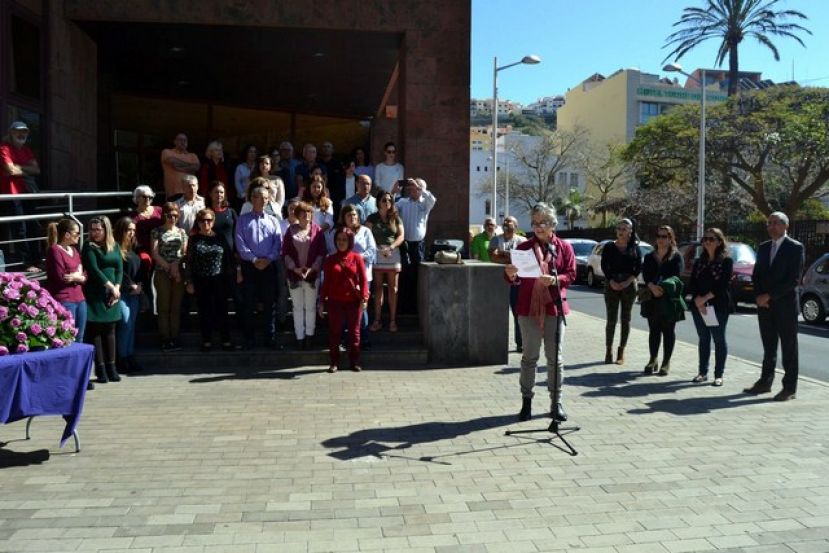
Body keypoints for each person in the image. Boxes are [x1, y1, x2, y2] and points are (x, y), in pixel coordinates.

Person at [504, 203, 576, 422]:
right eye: (534, 223)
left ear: (553, 224)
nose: (538, 227)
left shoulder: (563, 247)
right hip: (528, 309)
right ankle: (526, 402)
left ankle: (556, 403)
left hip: (554, 308)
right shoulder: (523, 248)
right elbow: (513, 279)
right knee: (529, 358)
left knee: (555, 359)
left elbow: (571, 274)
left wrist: (556, 279)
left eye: (542, 223)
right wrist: (510, 273)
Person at [744, 212, 805, 401]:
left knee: (789, 347)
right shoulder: (763, 247)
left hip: (785, 305)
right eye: (769, 223)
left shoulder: (795, 248)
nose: (771, 226)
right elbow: (756, 275)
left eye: (775, 223)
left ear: (785, 226)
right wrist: (758, 296)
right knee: (769, 346)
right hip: (765, 306)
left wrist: (770, 295)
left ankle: (789, 388)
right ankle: (765, 382)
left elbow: (794, 279)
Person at [235, 186, 283, 350]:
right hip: (250, 266)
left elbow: (278, 244)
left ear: (268, 199)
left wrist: (268, 259)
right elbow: (240, 243)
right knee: (248, 304)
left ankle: (270, 338)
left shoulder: (274, 220)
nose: (261, 200)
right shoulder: (242, 220)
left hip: (269, 267)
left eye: (264, 197)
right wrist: (254, 259)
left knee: (270, 304)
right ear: (251, 199)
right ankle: (249, 339)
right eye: (257, 197)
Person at [319, 227, 370, 373]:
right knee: (335, 332)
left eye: (344, 240)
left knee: (354, 333)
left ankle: (354, 362)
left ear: (350, 241)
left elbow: (364, 279)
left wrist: (364, 297)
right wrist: (322, 302)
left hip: (353, 302)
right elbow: (326, 283)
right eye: (339, 240)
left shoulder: (357, 257)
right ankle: (334, 362)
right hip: (335, 302)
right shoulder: (330, 260)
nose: (341, 242)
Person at [326, 204, 377, 349]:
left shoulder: (365, 231)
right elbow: (331, 251)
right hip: (342, 278)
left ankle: (364, 339)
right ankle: (344, 339)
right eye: (349, 215)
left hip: (363, 276)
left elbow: (372, 250)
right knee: (343, 310)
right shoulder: (337, 232)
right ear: (343, 217)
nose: (352, 217)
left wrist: (356, 258)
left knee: (362, 308)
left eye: (355, 215)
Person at [184, 208, 235, 351]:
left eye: (209, 220)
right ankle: (206, 340)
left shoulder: (220, 238)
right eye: (202, 220)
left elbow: (228, 260)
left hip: (219, 280)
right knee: (204, 311)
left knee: (222, 311)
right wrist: (189, 281)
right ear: (198, 223)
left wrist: (231, 277)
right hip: (201, 280)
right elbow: (189, 262)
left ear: (213, 222)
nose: (206, 223)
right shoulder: (194, 239)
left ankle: (226, 340)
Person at [688, 227, 733, 385]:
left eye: (711, 239)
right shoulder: (700, 261)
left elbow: (722, 285)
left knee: (718, 339)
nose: (707, 242)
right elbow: (692, 282)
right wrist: (698, 301)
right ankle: (702, 372)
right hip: (699, 305)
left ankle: (718, 374)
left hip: (717, 306)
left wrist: (705, 299)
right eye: (705, 239)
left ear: (719, 242)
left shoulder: (726, 261)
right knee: (703, 339)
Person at [82, 216, 123, 385]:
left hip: (113, 292)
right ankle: (101, 369)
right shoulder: (89, 247)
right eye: (91, 229)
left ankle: (112, 367)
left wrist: (117, 288)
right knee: (96, 331)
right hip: (96, 291)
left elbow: (120, 268)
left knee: (111, 329)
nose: (94, 233)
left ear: (106, 230)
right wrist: (110, 287)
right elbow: (93, 269)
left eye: (98, 229)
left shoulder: (115, 246)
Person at [641, 225, 685, 376]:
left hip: (669, 299)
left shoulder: (676, 256)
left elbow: (678, 276)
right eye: (659, 236)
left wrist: (663, 288)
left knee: (668, 330)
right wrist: (652, 287)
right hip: (651, 297)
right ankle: (653, 359)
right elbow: (646, 275)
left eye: (664, 236)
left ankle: (666, 362)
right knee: (654, 330)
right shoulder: (649, 256)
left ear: (670, 238)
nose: (661, 239)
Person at [282, 202, 326, 349]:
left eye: (309, 212)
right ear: (297, 214)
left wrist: (312, 269)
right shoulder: (290, 230)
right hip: (294, 275)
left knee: (311, 307)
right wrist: (294, 268)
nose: (307, 215)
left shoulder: (317, 230)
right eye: (303, 212)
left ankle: (309, 337)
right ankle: (299, 338)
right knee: (297, 307)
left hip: (312, 275)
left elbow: (321, 252)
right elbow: (286, 253)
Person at [600, 218, 642, 365]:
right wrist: (611, 281)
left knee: (626, 319)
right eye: (619, 228)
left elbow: (637, 269)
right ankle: (608, 350)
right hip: (611, 284)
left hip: (629, 286)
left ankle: (621, 351)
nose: (621, 231)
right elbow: (604, 265)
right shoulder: (609, 247)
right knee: (611, 320)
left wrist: (626, 282)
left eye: (624, 229)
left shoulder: (635, 248)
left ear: (630, 231)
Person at [1, 121, 41, 269]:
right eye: (18, 131)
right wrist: (26, 170)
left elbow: (36, 170)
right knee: (20, 228)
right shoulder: (4, 148)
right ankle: (25, 263)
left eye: (24, 131)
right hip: (12, 193)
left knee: (33, 226)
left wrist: (19, 169)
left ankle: (36, 260)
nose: (22, 134)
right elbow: (10, 170)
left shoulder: (27, 150)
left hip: (28, 192)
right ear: (11, 132)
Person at [395, 177, 436, 313]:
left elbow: (433, 199)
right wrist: (394, 191)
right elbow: (391, 208)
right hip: (404, 244)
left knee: (418, 274)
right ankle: (402, 306)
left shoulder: (425, 204)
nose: (413, 189)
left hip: (418, 245)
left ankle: (416, 306)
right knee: (404, 274)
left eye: (416, 188)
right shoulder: (403, 202)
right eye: (411, 187)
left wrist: (420, 187)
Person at [151, 202, 188, 352]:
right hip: (162, 271)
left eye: (175, 215)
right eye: (169, 215)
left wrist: (176, 266)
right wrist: (168, 267)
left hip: (178, 272)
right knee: (163, 306)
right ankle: (165, 338)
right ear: (164, 215)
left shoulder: (182, 232)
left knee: (176, 307)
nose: (172, 218)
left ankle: (175, 337)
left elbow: (184, 252)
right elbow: (154, 252)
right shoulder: (157, 231)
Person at [366, 191, 405, 332]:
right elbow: (367, 235)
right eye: (383, 200)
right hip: (377, 254)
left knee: (393, 289)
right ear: (378, 202)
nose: (387, 202)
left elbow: (401, 235)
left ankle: (393, 321)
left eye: (389, 200)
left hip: (393, 254)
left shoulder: (396, 218)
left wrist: (392, 247)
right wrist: (377, 248)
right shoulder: (372, 218)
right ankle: (377, 320)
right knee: (377, 289)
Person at [45, 218, 87, 344]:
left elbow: (84, 273)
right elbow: (61, 276)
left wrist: (76, 277)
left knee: (80, 337)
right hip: (65, 300)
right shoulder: (55, 250)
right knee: (67, 338)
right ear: (67, 234)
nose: (79, 236)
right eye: (76, 233)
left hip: (80, 298)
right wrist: (78, 276)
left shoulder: (74, 250)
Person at [489, 216, 527, 352]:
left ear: (516, 226)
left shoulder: (522, 241)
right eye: (504, 222)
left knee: (518, 313)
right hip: (498, 281)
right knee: (496, 312)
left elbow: (523, 260)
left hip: (516, 283)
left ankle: (520, 343)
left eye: (509, 222)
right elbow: (493, 256)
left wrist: (503, 253)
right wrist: (512, 256)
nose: (506, 224)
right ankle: (496, 343)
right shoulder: (495, 239)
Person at [113, 217, 144, 375]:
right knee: (125, 323)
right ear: (121, 230)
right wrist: (129, 285)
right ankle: (121, 357)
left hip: (135, 293)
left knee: (131, 325)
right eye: (128, 230)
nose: (131, 233)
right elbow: (119, 272)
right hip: (123, 292)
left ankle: (129, 355)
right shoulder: (115, 248)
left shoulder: (134, 247)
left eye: (133, 230)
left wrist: (139, 285)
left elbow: (140, 269)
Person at [160, 133, 199, 200]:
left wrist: (180, 168)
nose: (183, 142)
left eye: (185, 140)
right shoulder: (167, 152)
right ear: (175, 142)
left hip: (190, 192)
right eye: (180, 140)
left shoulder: (192, 155)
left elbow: (196, 167)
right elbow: (173, 161)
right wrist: (189, 166)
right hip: (173, 192)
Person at [319, 141, 346, 209]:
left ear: (332, 150)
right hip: (319, 195)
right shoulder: (317, 163)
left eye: (328, 147)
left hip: (335, 198)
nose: (326, 148)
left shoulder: (338, 164)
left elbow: (342, 181)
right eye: (324, 147)